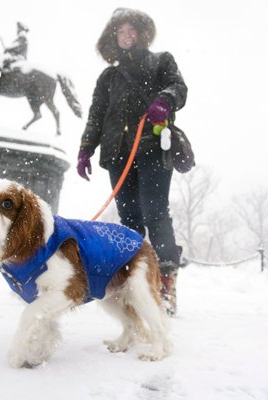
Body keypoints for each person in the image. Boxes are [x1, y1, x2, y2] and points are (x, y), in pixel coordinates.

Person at [76, 8, 187, 316]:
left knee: (156, 214)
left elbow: (179, 87)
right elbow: (97, 114)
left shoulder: (161, 61)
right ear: (115, 37)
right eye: (121, 32)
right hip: (117, 154)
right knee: (130, 221)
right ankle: (137, 284)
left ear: (141, 34)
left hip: (152, 149)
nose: (127, 37)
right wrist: (86, 148)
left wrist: (164, 101)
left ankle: (166, 286)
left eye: (132, 31)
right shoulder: (108, 77)